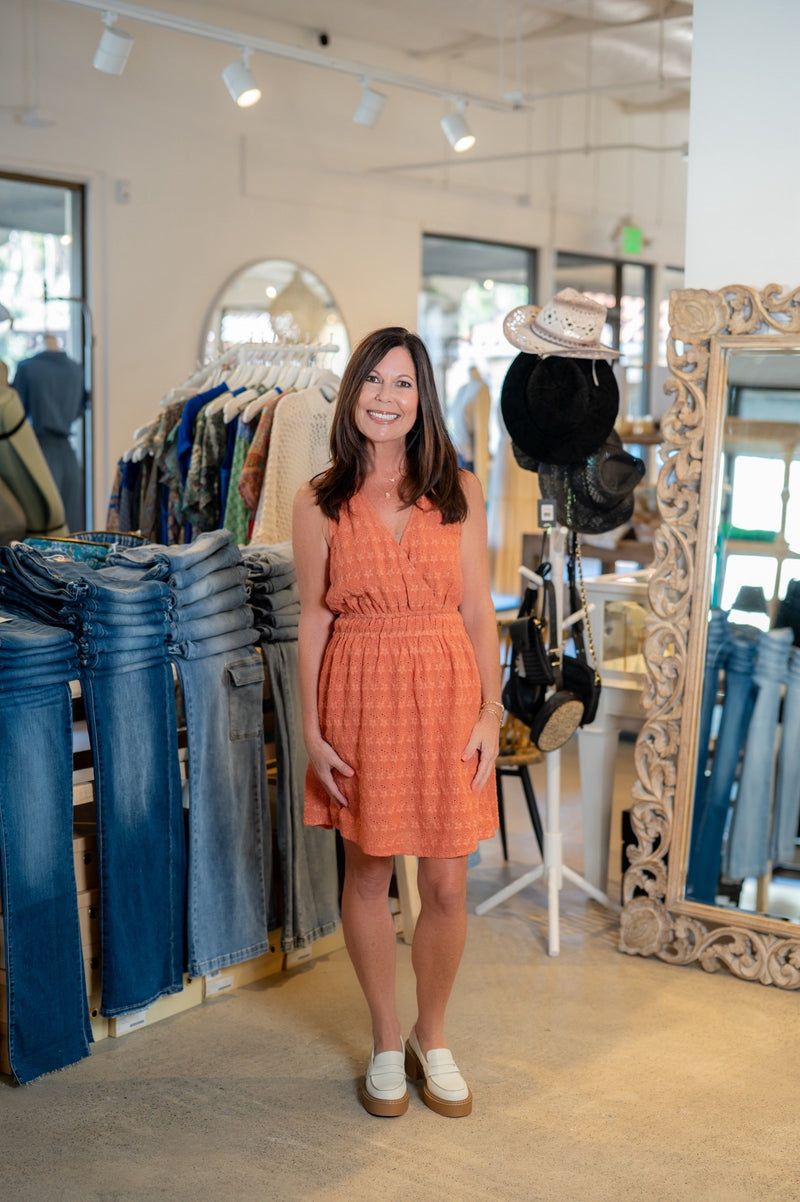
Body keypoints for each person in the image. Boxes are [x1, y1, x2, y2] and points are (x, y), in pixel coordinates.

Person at [292, 327, 501, 1119]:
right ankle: (386, 1038)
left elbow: (478, 611)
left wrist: (490, 709)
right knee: (371, 873)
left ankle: (431, 1035)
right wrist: (312, 730)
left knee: (447, 882)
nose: (387, 396)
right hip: (359, 693)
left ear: (423, 400)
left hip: (448, 690)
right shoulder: (318, 499)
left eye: (404, 383)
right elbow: (312, 622)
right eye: (373, 381)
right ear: (353, 395)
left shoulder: (460, 489)